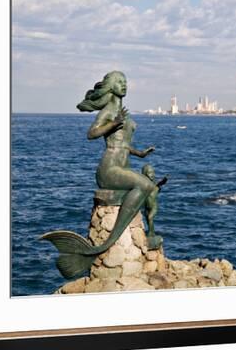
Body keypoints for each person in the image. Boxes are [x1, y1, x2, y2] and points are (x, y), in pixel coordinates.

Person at [40, 71, 160, 279]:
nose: (124, 85)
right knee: (146, 186)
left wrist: (139, 153)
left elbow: (123, 143)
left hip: (122, 166)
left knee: (147, 186)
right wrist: (114, 123)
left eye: (125, 82)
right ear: (111, 86)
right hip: (109, 169)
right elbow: (92, 133)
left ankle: (110, 241)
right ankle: (110, 240)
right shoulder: (109, 111)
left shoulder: (122, 111)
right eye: (119, 82)